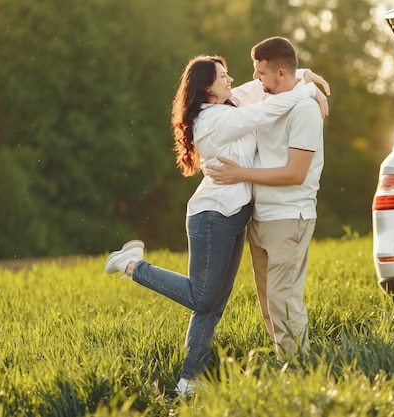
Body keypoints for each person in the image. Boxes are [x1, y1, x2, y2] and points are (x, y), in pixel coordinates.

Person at [104, 55, 326, 396]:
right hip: (212, 216)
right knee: (202, 296)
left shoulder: (232, 103)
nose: (230, 79)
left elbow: (266, 85)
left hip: (236, 215)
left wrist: (305, 75)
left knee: (214, 303)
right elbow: (266, 111)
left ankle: (188, 381)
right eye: (223, 76)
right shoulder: (213, 120)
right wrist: (309, 91)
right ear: (206, 86)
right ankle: (132, 265)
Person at [207, 37, 325, 358]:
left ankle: (299, 366)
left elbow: (294, 173)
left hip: (290, 217)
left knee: (283, 298)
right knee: (268, 301)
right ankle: (284, 360)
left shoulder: (304, 110)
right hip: (261, 218)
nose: (256, 78)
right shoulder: (267, 95)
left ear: (282, 73)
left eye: (260, 72)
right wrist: (310, 80)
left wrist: (240, 174)